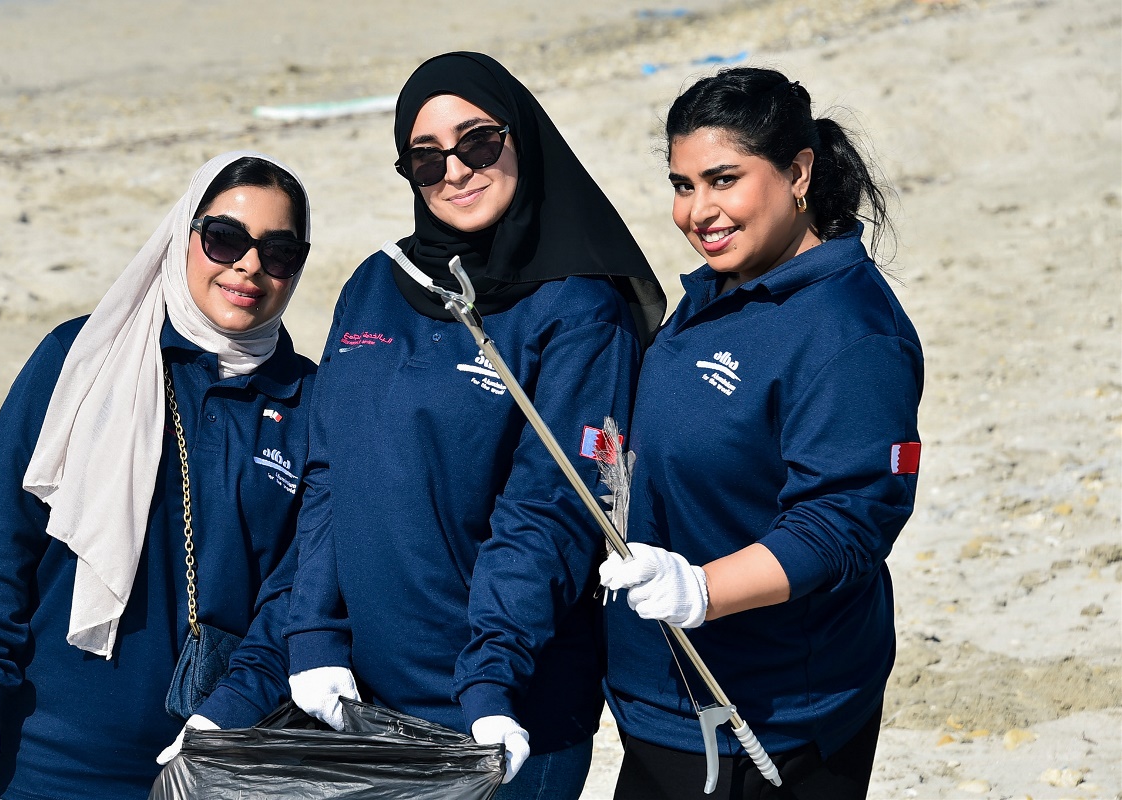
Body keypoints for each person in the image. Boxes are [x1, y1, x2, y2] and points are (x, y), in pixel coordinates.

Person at [283, 51, 666, 799]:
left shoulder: (580, 308)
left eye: (479, 142)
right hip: (364, 704)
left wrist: (489, 680)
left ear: (520, 135)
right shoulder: (375, 283)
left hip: (504, 710)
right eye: (426, 160)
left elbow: (553, 508)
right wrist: (313, 635)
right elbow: (329, 476)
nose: (455, 170)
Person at [0, 151, 317, 799]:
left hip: (210, 757)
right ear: (184, 235)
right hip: (43, 756)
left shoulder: (308, 403)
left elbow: (297, 590)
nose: (248, 266)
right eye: (224, 239)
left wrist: (235, 712)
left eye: (279, 251)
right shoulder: (83, 356)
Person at [599, 67, 923, 799]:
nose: (698, 212)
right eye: (683, 185)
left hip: (772, 720)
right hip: (662, 700)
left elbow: (845, 524)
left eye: (723, 180)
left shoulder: (851, 332)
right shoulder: (719, 286)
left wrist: (702, 589)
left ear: (798, 172)